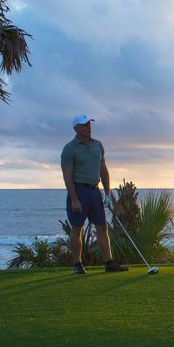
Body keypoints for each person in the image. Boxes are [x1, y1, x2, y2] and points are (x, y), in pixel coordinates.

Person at [61, 114, 128, 274]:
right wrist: (74, 199)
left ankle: (109, 263)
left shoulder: (98, 145)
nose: (88, 127)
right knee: (77, 228)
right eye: (84, 125)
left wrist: (107, 193)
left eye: (89, 125)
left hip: (95, 190)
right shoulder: (70, 148)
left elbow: (103, 170)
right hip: (78, 190)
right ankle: (77, 264)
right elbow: (67, 176)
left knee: (102, 226)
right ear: (76, 128)